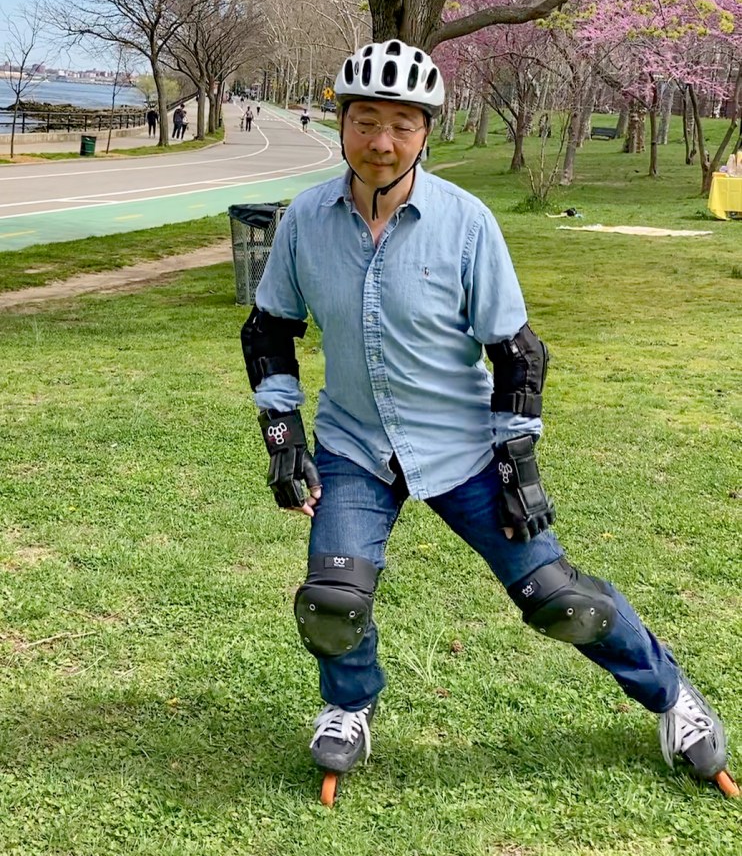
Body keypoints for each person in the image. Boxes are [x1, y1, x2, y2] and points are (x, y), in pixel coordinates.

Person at [240, 40, 736, 798]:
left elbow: (517, 355)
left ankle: (674, 698)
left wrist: (519, 469)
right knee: (332, 605)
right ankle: (349, 705)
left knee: (559, 599)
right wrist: (284, 442)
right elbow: (268, 329)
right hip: (354, 446)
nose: (381, 142)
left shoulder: (467, 223)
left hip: (466, 448)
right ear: (339, 123)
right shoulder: (306, 221)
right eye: (365, 120)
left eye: (402, 125)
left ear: (426, 132)